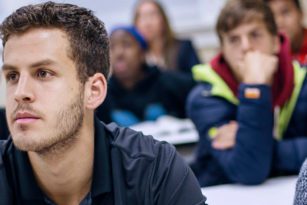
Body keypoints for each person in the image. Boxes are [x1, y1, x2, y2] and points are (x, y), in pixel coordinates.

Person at [0, 2, 207, 204]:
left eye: (43, 73)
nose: (20, 93)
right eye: (12, 76)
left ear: (94, 91)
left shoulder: (154, 171)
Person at [187, 0, 307, 187]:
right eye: (234, 40)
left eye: (255, 35)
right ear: (223, 50)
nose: (246, 47)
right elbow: (249, 170)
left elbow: (253, 154)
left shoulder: (303, 81)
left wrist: (259, 146)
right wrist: (255, 87)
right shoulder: (205, 98)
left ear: (275, 42)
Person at [96, 26, 195, 126]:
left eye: (126, 45)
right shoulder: (102, 96)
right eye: (112, 47)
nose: (119, 53)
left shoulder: (168, 82)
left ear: (142, 53)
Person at [133, 0, 201, 73]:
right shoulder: (135, 56)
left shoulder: (183, 48)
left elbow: (197, 79)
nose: (147, 23)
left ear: (163, 19)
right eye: (142, 17)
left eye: (152, 15)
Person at [265, 0, 307, 66]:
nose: (278, 22)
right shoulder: (266, 54)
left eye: (285, 12)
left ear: (301, 14)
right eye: (271, 16)